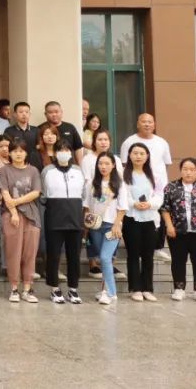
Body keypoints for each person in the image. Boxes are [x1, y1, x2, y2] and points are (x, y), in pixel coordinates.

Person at [160, 158, 196, 303]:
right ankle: (179, 289)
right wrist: (169, 226)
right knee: (178, 260)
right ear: (180, 170)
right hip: (177, 232)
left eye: (192, 169)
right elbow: (165, 208)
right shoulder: (171, 187)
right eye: (185, 169)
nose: (188, 172)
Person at [118, 113, 173, 262]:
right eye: (144, 121)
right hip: (134, 186)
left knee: (159, 215)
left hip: (156, 186)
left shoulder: (162, 142)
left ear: (154, 124)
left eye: (150, 122)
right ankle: (137, 248)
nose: (147, 124)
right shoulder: (129, 142)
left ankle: (158, 248)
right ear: (137, 124)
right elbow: (125, 164)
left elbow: (166, 164)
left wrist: (159, 182)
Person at [41, 142, 85, 304]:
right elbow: (43, 195)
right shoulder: (47, 171)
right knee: (53, 255)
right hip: (54, 217)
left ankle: (73, 289)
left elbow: (83, 194)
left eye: (67, 150)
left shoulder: (78, 171)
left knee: (74, 255)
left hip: (75, 218)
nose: (63, 152)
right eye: (60, 150)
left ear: (71, 153)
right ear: (55, 153)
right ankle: (54, 288)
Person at [0, 138, 42, 303]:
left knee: (30, 253)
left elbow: (36, 192)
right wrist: (14, 212)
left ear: (26, 153)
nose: (18, 154)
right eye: (15, 151)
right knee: (13, 252)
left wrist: (16, 202)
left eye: (21, 151)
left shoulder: (33, 171)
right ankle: (14, 288)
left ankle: (28, 289)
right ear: (9, 153)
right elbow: (5, 192)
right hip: (11, 216)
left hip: (31, 215)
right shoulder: (4, 170)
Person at [121, 142, 162, 302]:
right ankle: (136, 288)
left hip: (150, 218)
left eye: (141, 153)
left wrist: (150, 204)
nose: (138, 156)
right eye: (135, 153)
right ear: (129, 155)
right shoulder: (124, 175)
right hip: (131, 218)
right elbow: (123, 195)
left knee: (148, 255)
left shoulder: (154, 176)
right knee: (133, 254)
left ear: (147, 156)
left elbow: (159, 196)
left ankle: (147, 288)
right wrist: (133, 203)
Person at [84, 151, 126, 305]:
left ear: (113, 165)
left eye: (107, 163)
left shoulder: (119, 184)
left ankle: (110, 293)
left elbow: (122, 208)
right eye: (100, 163)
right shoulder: (91, 183)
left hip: (111, 225)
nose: (103, 166)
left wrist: (117, 225)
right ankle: (105, 290)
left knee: (105, 258)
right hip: (95, 226)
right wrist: (86, 225)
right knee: (102, 258)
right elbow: (87, 206)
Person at [81, 128, 114, 278]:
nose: (103, 142)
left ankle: (108, 264)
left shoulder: (115, 159)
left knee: (110, 236)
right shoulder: (88, 159)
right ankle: (93, 263)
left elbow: (118, 180)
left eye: (106, 139)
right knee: (91, 231)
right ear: (94, 142)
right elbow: (87, 180)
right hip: (93, 200)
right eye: (100, 139)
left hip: (111, 203)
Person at [4, 102, 42, 169]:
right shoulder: (9, 131)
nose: (24, 114)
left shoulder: (36, 130)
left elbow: (40, 147)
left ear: (30, 114)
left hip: (34, 164)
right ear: (15, 114)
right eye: (21, 112)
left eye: (27, 112)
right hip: (16, 164)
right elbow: (8, 148)